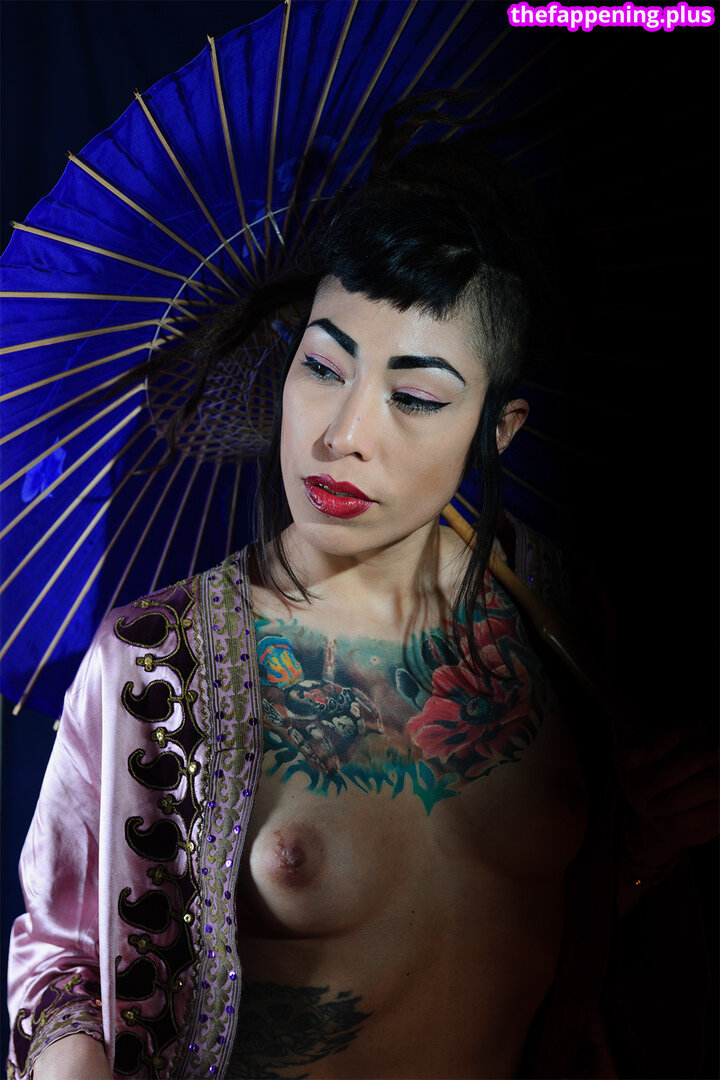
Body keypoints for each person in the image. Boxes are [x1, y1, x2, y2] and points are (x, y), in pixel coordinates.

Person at [7, 106, 717, 1080]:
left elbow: (563, 932)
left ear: (498, 429)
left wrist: (651, 841)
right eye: (323, 365)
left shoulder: (562, 621)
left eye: (414, 397)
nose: (344, 433)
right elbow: (58, 964)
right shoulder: (159, 662)